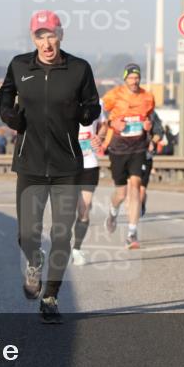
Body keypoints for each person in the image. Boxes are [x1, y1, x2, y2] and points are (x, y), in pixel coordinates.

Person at [0, 9, 100, 323]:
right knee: (28, 233)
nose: (46, 42)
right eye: (40, 36)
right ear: (33, 39)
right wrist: (9, 116)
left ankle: (51, 296)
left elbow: (93, 102)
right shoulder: (19, 65)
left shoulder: (79, 68)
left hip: (67, 165)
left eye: (51, 34)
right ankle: (34, 260)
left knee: (61, 234)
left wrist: (88, 113)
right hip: (29, 164)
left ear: (60, 35)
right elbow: (4, 97)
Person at [101, 63, 155, 250]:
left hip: (138, 148)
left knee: (135, 186)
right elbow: (99, 113)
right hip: (118, 148)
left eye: (137, 77)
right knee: (121, 193)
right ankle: (113, 211)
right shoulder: (114, 95)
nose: (135, 80)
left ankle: (132, 233)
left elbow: (150, 117)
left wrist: (149, 125)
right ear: (125, 79)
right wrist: (111, 122)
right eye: (131, 78)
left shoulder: (147, 97)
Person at [71, 104, 107, 266]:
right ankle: (62, 246)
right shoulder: (62, 97)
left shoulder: (96, 103)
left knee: (84, 209)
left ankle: (77, 249)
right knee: (66, 210)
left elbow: (104, 125)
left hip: (89, 164)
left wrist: (99, 136)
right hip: (67, 166)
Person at [139, 110, 165, 216]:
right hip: (129, 155)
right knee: (131, 186)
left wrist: (152, 142)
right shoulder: (126, 110)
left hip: (145, 156)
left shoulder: (151, 114)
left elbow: (159, 132)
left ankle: (140, 206)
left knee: (141, 189)